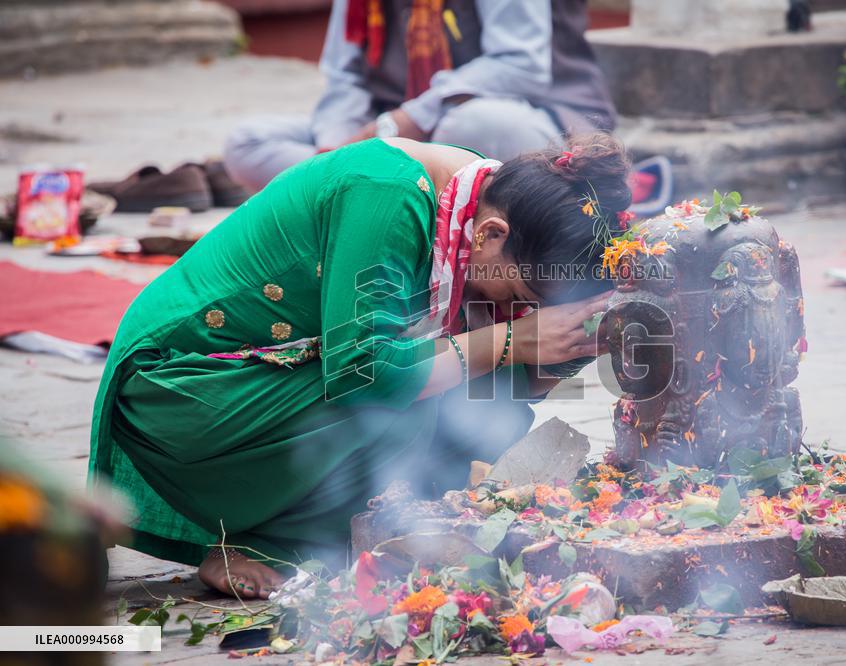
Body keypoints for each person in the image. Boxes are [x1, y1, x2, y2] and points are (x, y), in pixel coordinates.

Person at [89, 133, 631, 598]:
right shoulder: (387, 194)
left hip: (281, 383)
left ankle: (340, 531)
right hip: (184, 392)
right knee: (403, 399)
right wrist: (514, 337)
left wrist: (573, 344)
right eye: (524, 293)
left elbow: (504, 377)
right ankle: (277, 543)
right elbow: (363, 373)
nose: (525, 312)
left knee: (492, 394)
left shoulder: (484, 203)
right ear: (490, 235)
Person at [223, 0, 615, 191]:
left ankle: (365, 190)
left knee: (476, 122)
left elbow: (519, 65)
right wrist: (334, 150)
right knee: (249, 141)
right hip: (391, 136)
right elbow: (344, 79)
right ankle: (357, 187)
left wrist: (403, 122)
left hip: (518, 121)